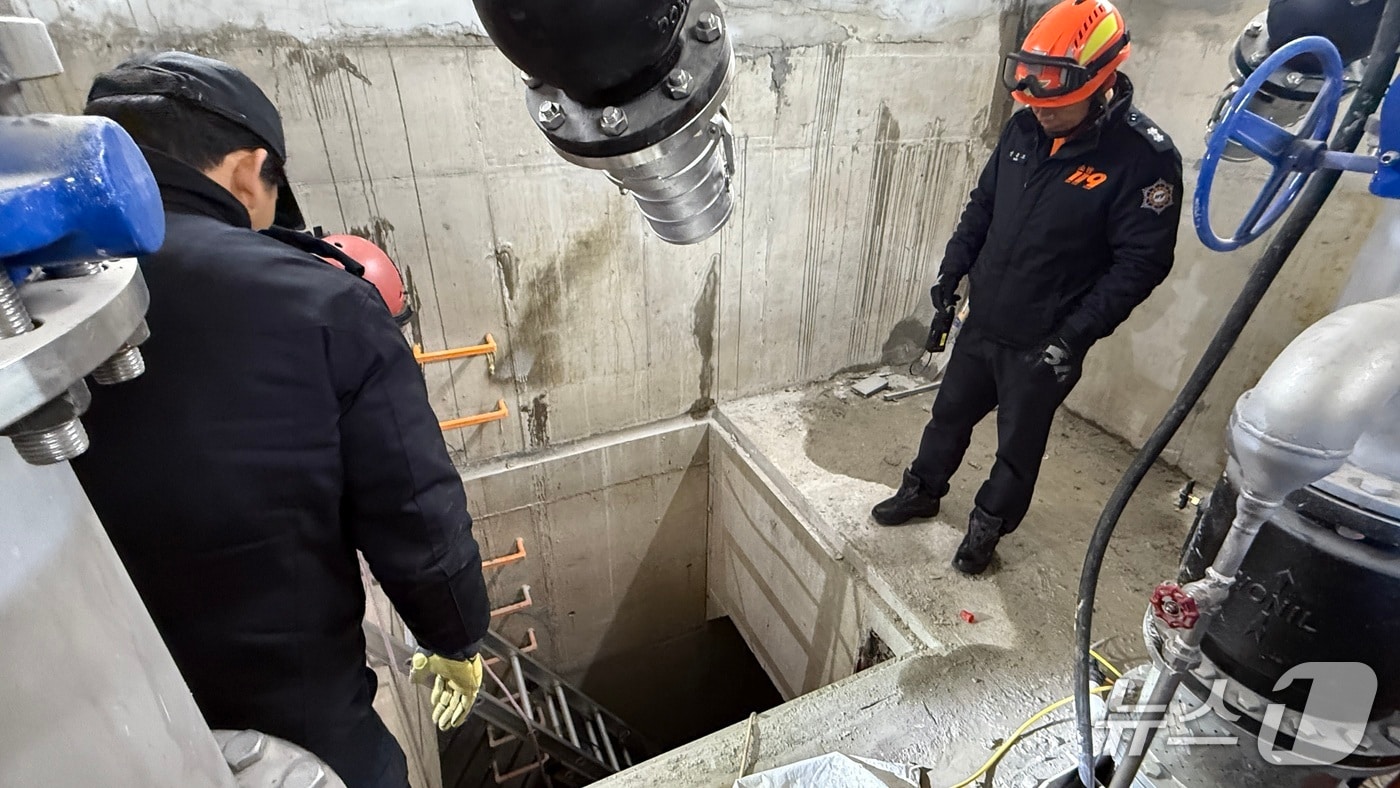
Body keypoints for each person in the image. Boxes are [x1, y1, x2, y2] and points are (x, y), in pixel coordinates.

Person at [73, 52, 490, 786]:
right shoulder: (319, 304)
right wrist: (455, 637)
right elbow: (415, 512)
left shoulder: (41, 288)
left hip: (88, 707)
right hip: (287, 701)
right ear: (247, 168)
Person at [871, 0, 1183, 575]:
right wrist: (951, 273)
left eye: (1055, 103)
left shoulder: (1143, 160)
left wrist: (1073, 337)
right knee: (946, 418)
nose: (1040, 113)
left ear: (1102, 80)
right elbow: (983, 207)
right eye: (1032, 100)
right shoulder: (1024, 127)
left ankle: (985, 531)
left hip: (1045, 343)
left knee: (1017, 451)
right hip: (985, 320)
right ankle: (922, 491)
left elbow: (1141, 264)